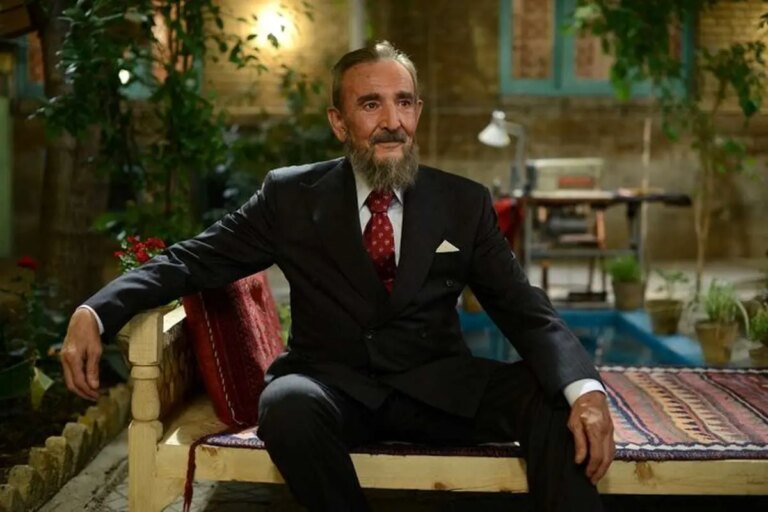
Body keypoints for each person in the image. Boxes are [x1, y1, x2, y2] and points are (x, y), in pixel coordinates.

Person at [61, 41, 614, 511]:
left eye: (403, 102)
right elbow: (192, 260)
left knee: (556, 399)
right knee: (285, 405)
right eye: (371, 104)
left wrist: (585, 390)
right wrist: (96, 311)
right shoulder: (290, 197)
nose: (392, 121)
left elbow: (521, 306)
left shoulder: (462, 203)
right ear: (339, 122)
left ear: (418, 112)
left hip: (437, 389)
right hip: (332, 389)